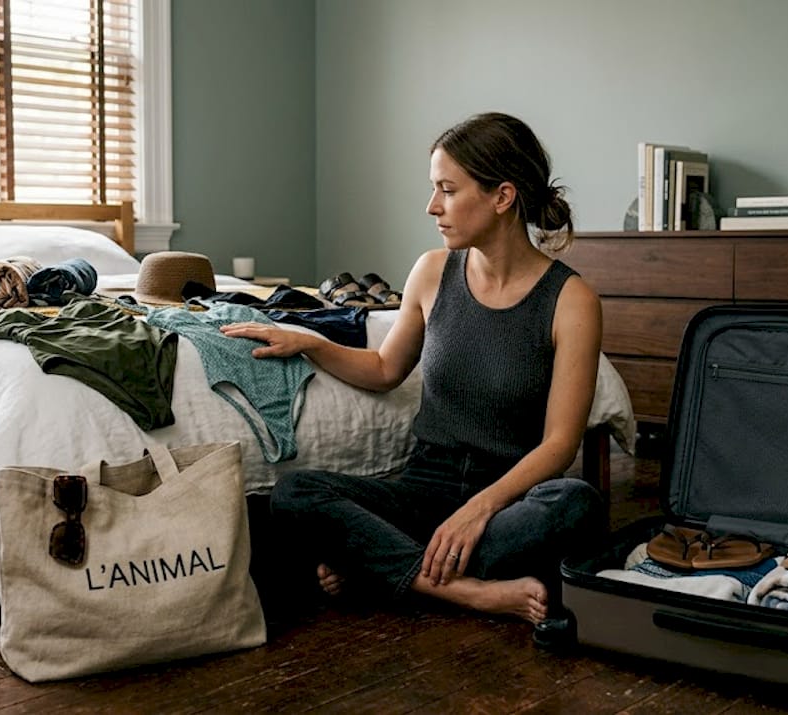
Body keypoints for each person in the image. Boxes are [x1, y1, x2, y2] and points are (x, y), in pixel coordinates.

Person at [219, 112, 604, 628]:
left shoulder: (571, 299)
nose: (432, 207)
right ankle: (466, 592)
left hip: (505, 498)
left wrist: (478, 511)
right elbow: (383, 368)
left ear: (502, 196)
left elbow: (559, 446)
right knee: (293, 494)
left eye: (447, 190)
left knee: (576, 503)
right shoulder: (431, 272)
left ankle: (383, 564)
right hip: (423, 489)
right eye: (433, 189)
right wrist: (310, 343)